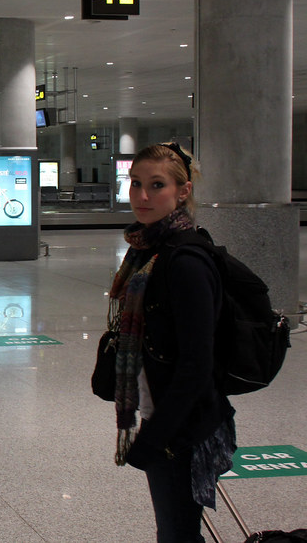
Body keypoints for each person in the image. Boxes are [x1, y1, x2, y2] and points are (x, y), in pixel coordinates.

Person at [106, 142, 234, 543]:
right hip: (163, 414)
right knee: (177, 530)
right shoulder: (149, 250)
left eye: (156, 185)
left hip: (183, 426)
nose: (142, 196)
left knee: (177, 533)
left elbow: (197, 363)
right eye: (136, 184)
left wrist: (157, 436)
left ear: (183, 191)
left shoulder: (185, 261)